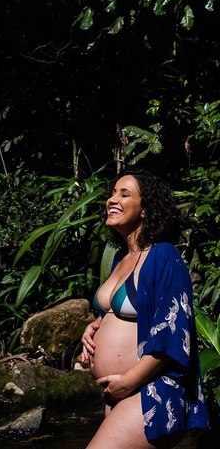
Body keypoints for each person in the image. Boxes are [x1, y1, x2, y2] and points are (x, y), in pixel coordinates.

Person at [79, 170, 208, 448]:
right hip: (120, 393)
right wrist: (94, 327)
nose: (112, 200)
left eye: (124, 194)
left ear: (146, 209)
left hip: (151, 391)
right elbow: (122, 316)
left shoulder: (163, 255)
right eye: (112, 193)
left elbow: (174, 333)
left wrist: (128, 382)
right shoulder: (120, 259)